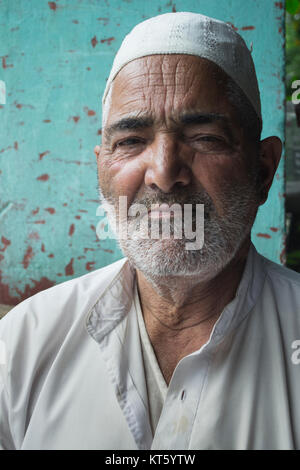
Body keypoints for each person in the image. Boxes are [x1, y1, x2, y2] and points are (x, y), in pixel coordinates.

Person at [0, 11, 299, 451]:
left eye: (204, 137)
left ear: (262, 170)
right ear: (102, 167)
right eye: (131, 141)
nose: (163, 173)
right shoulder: (23, 345)